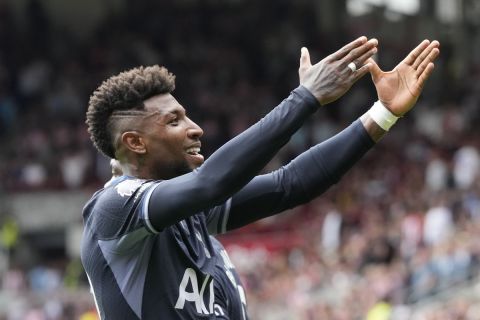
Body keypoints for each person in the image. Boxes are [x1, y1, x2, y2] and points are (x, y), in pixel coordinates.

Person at [81, 37, 440, 319]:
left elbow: (289, 184)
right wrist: (305, 98)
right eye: (174, 121)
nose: (195, 129)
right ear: (135, 143)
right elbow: (211, 182)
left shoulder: (190, 213)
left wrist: (383, 114)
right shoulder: (116, 209)